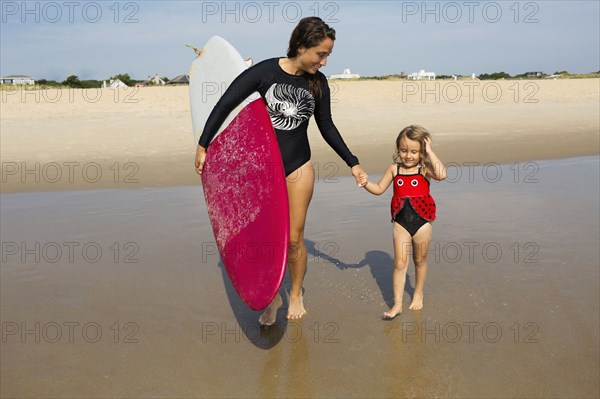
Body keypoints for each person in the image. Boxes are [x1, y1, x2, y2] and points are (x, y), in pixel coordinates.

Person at [195, 17, 367, 325]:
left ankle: (297, 293)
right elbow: (224, 105)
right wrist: (203, 145)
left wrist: (352, 162)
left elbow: (326, 126)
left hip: (297, 167)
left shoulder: (317, 82)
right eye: (320, 54)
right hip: (261, 172)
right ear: (301, 47)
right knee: (264, 237)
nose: (324, 61)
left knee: (294, 238)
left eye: (327, 55)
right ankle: (272, 297)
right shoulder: (264, 72)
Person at [359, 125, 446, 319]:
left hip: (422, 221)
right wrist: (365, 183)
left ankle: (418, 293)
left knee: (420, 260)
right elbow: (379, 188)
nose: (408, 156)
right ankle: (397, 304)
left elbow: (442, 174)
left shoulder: (424, 168)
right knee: (399, 263)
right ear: (397, 149)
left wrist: (430, 152)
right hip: (400, 222)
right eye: (404, 150)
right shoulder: (394, 169)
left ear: (421, 151)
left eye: (414, 151)